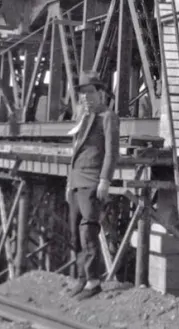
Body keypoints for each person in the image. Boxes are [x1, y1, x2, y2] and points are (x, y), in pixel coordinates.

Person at [65, 71, 119, 300]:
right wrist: (69, 183)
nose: (85, 97)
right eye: (82, 94)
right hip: (76, 182)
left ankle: (94, 281)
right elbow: (75, 153)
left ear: (101, 93)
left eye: (89, 92)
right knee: (75, 232)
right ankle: (81, 277)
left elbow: (111, 151)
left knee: (88, 230)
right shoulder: (82, 118)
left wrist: (105, 179)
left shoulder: (108, 117)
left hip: (92, 180)